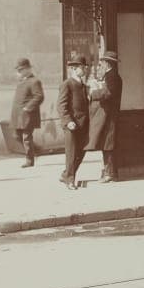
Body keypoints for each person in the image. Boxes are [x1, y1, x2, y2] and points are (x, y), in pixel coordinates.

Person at [85, 51, 120, 183]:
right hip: (108, 115)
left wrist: (93, 94)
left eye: (102, 63)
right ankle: (110, 172)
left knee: (108, 145)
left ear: (107, 63)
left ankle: (109, 174)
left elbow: (108, 94)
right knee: (107, 144)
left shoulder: (112, 77)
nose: (101, 65)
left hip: (109, 116)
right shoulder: (110, 76)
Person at [57, 56, 90, 190]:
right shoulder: (67, 84)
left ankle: (66, 174)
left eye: (84, 67)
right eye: (83, 67)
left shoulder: (83, 85)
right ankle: (70, 180)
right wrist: (68, 121)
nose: (85, 69)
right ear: (74, 69)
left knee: (81, 152)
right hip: (71, 125)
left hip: (83, 124)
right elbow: (61, 105)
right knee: (71, 153)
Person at [10, 57, 45, 167]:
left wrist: (28, 108)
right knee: (16, 135)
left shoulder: (35, 81)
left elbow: (39, 96)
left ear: (27, 69)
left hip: (28, 115)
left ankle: (29, 160)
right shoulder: (22, 82)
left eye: (20, 70)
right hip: (19, 115)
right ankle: (37, 150)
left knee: (26, 136)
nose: (18, 73)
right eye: (18, 71)